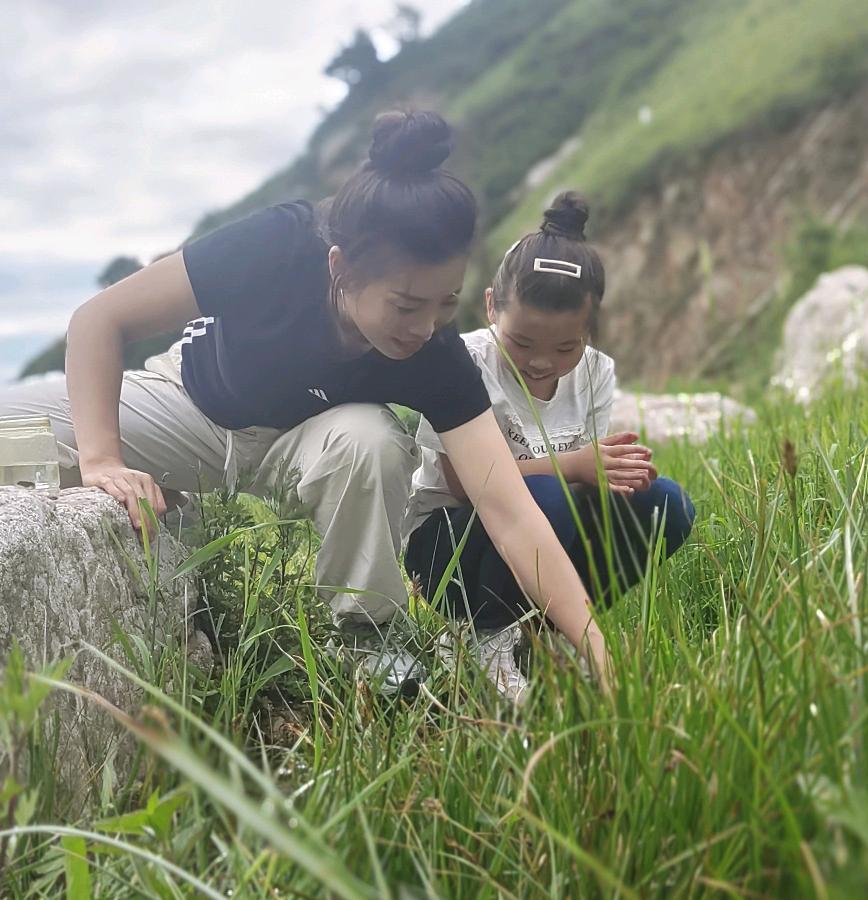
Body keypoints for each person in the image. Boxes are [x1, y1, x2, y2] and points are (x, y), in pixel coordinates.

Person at [0, 113, 612, 693]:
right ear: (341, 269)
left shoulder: (434, 354)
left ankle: (368, 639)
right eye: (406, 304)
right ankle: (176, 508)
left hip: (306, 447)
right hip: (192, 407)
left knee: (370, 438)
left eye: (446, 303)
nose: (426, 326)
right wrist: (103, 459)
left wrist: (600, 653)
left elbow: (508, 508)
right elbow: (99, 319)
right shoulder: (278, 244)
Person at [404, 191, 695, 700]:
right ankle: (485, 634)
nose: (541, 363)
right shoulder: (466, 361)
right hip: (448, 550)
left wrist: (618, 476)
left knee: (664, 503)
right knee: (549, 496)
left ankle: (552, 631)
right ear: (492, 307)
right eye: (522, 344)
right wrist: (577, 464)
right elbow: (463, 482)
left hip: (537, 537)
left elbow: (589, 486)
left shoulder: (595, 373)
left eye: (565, 347)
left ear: (590, 328)